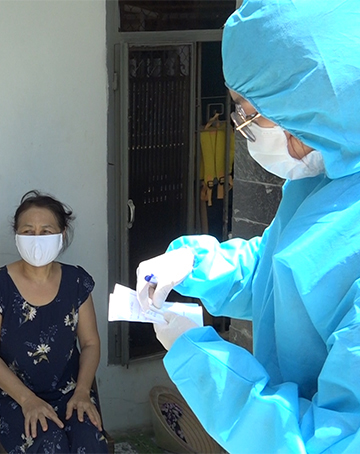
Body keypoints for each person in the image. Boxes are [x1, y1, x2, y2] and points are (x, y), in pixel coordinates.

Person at [135, 1, 360, 453]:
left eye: (251, 113)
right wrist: (196, 263)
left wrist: (205, 364)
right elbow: (278, 270)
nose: (243, 129)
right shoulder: (323, 178)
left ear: (313, 104)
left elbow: (330, 441)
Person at [0, 190, 108, 454]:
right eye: (28, 231)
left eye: (46, 231)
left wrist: (82, 391)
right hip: (12, 397)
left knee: (90, 442)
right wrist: (27, 400)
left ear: (62, 234)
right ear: (16, 235)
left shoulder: (76, 282)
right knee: (50, 444)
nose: (36, 239)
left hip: (70, 392)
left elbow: (91, 342)